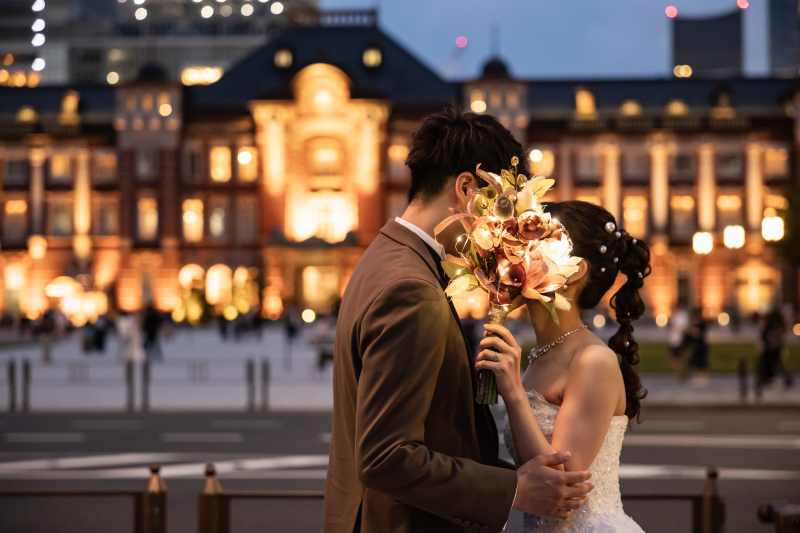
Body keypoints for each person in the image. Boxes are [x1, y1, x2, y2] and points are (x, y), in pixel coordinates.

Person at [324, 107, 593, 533]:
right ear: (466, 187)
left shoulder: (384, 256)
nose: (504, 226)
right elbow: (385, 456)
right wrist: (513, 489)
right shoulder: (411, 289)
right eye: (502, 203)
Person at [476, 201, 649, 532]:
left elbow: (560, 486)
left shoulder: (593, 360)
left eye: (534, 242)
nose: (514, 253)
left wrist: (512, 391)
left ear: (575, 270)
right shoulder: (541, 355)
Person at [687, 308, 709, 387]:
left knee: (702, 362)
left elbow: (699, 334)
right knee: (695, 362)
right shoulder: (694, 323)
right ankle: (696, 379)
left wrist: (690, 332)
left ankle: (704, 379)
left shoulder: (702, 323)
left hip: (701, 345)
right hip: (696, 345)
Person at [667, 304, 690, 381]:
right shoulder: (676, 315)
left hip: (679, 340)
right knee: (674, 358)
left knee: (675, 357)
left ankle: (680, 374)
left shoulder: (683, 315)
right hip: (674, 340)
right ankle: (680, 374)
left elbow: (684, 327)